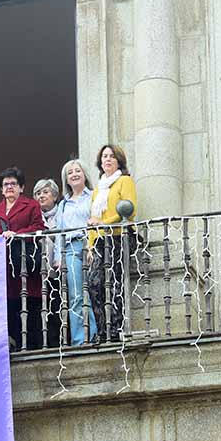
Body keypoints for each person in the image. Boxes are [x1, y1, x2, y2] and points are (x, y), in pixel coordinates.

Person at [0, 167, 45, 351]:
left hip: (24, 265)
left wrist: (16, 234)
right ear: (1, 189)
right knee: (7, 307)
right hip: (1, 268)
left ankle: (31, 345)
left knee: (29, 305)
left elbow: (38, 227)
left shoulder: (31, 205)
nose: (9, 187)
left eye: (13, 184)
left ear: (21, 187)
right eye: (5, 184)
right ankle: (12, 344)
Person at [87, 144, 138, 343]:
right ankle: (102, 328)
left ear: (118, 161)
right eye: (104, 156)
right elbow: (92, 219)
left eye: (111, 156)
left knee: (115, 282)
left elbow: (129, 211)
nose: (107, 159)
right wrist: (90, 245)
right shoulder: (98, 189)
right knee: (94, 283)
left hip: (120, 237)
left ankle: (116, 328)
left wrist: (103, 223)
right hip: (101, 240)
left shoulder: (124, 181)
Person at [58, 159, 97, 346]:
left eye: (77, 171)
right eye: (70, 172)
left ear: (84, 174)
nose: (74, 174)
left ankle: (96, 333)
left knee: (95, 290)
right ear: (66, 179)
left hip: (90, 244)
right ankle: (81, 338)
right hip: (71, 248)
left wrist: (91, 245)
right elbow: (59, 232)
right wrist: (59, 257)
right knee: (76, 295)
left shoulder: (93, 196)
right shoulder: (63, 205)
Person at [33, 178, 63, 348]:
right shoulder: (34, 216)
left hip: (59, 269)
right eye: (38, 193)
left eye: (45, 192)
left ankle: (59, 340)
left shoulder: (63, 211)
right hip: (40, 271)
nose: (41, 196)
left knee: (57, 306)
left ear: (54, 195)